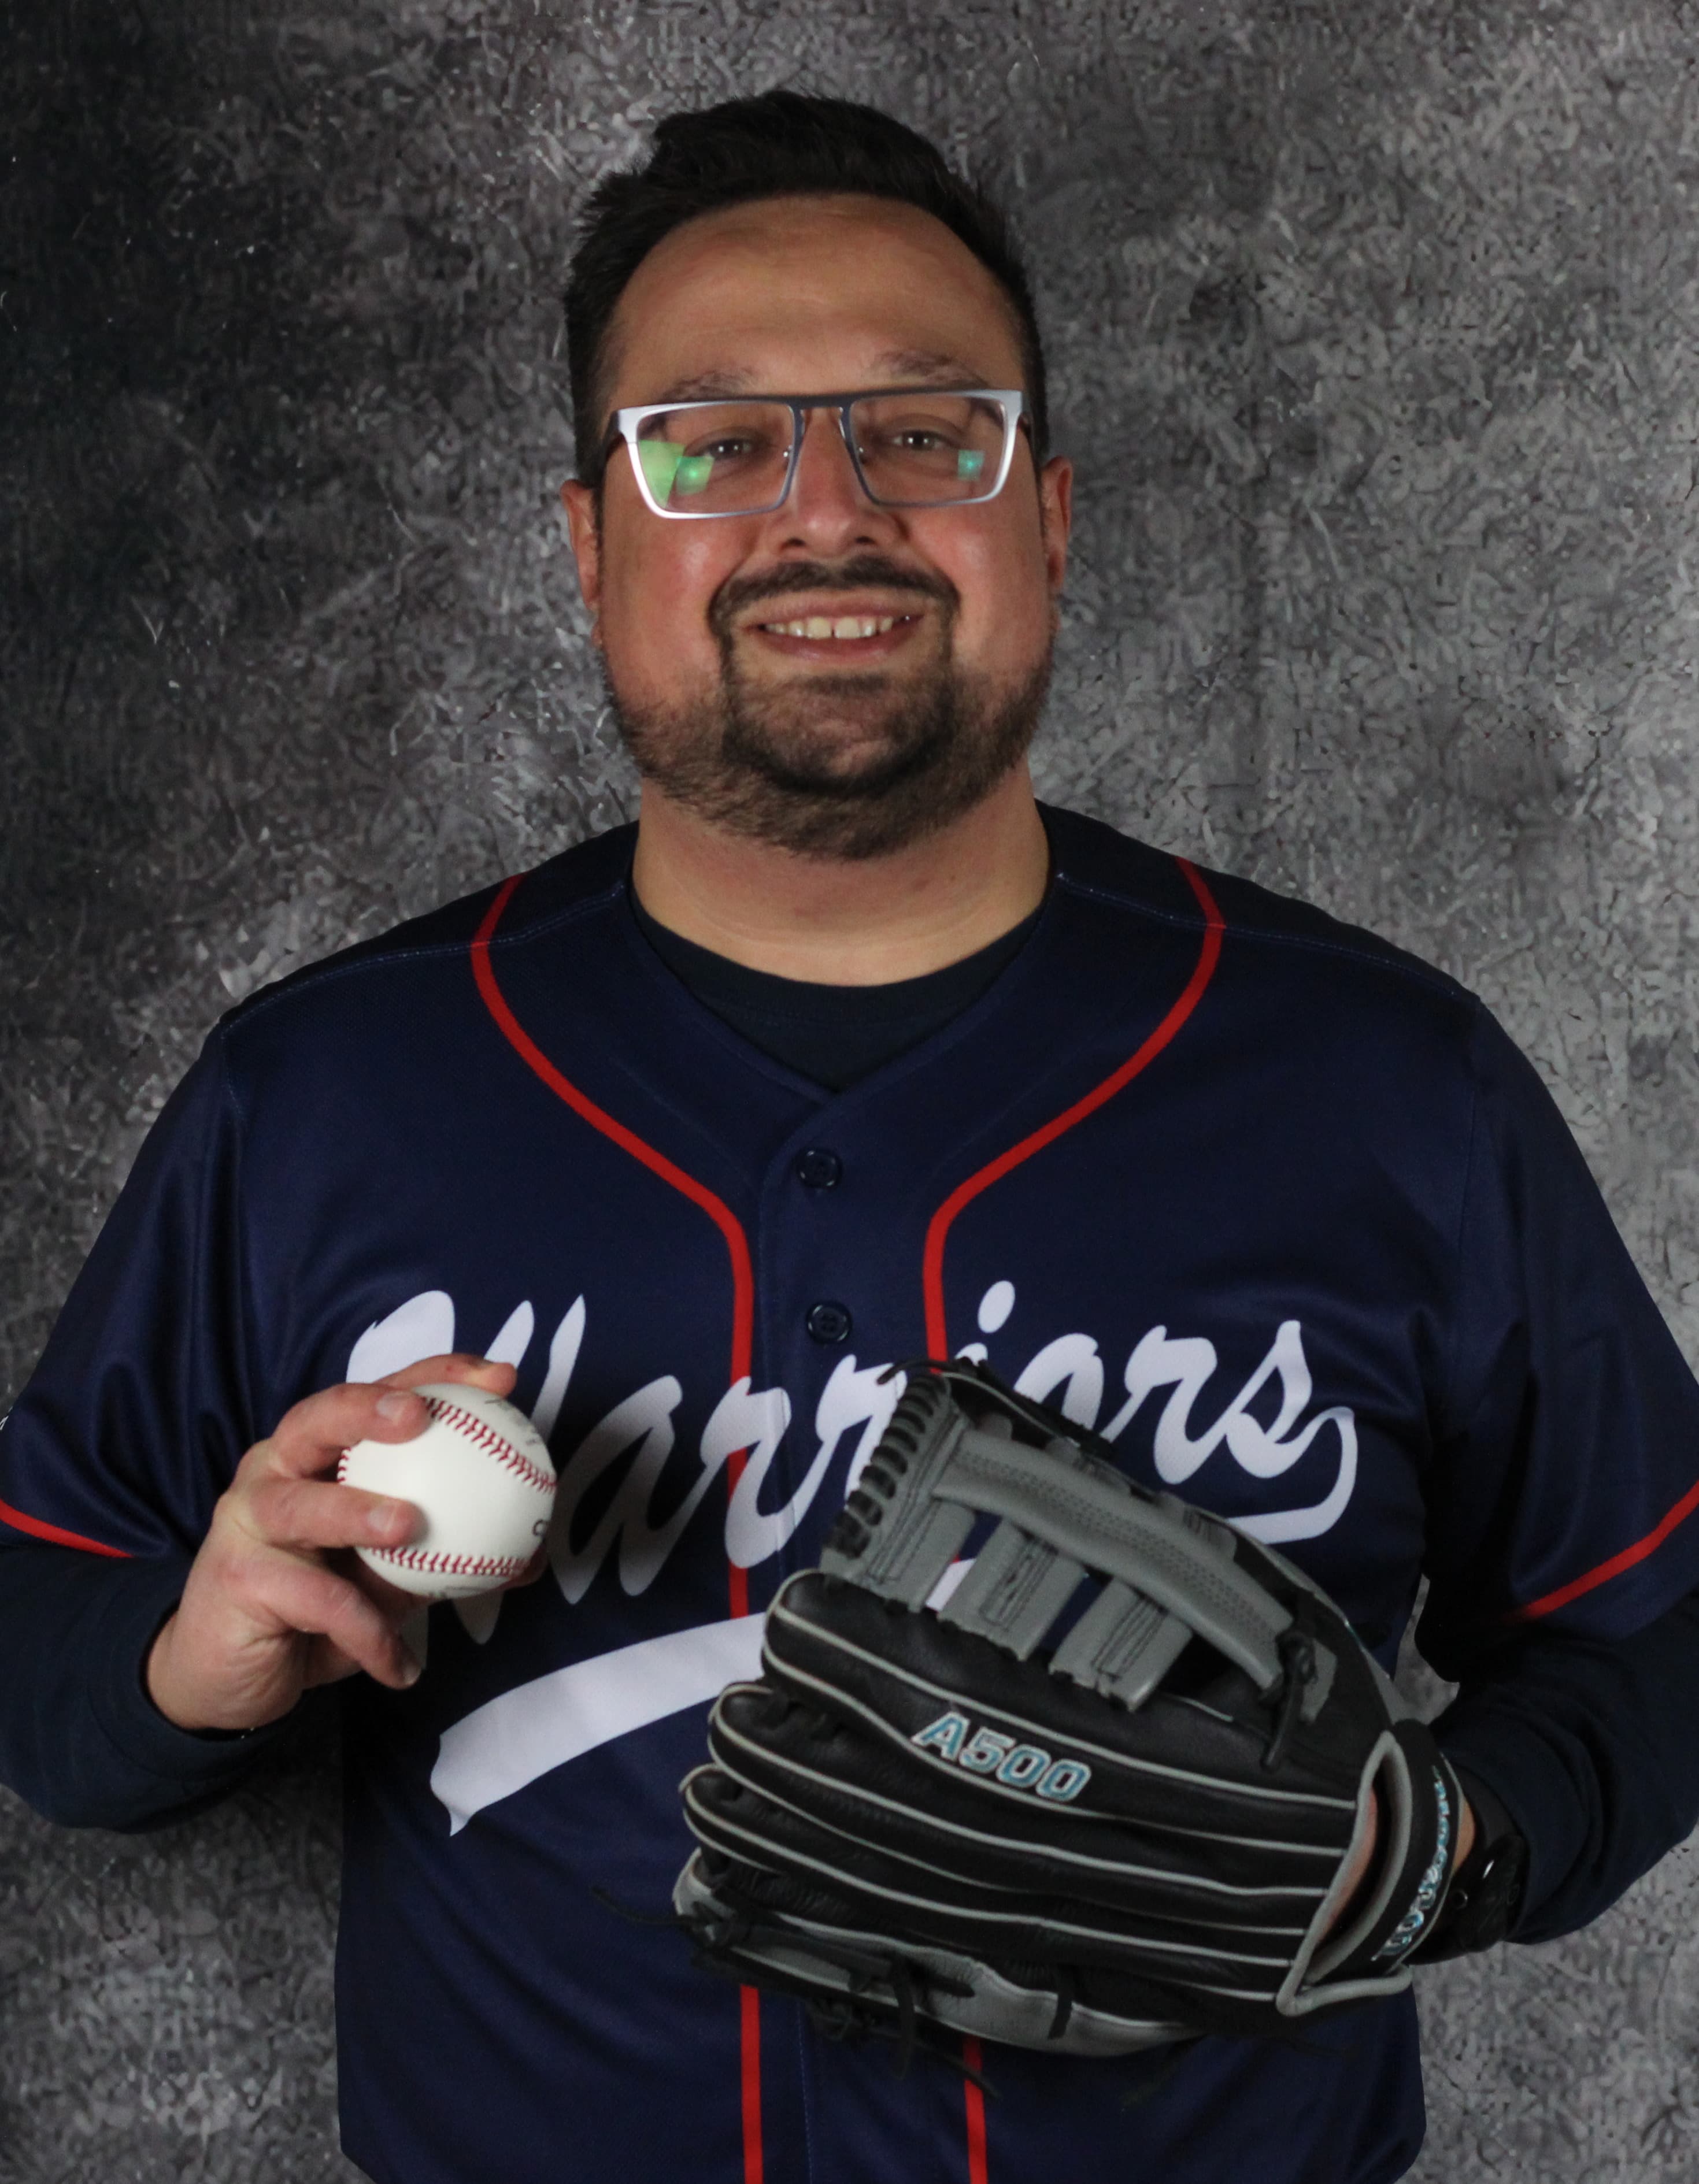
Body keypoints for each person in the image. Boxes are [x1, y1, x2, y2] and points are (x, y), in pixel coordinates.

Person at [3, 87, 1699, 2184]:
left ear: (1048, 520)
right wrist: (191, 1651)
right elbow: (44, 1618)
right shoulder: (321, 1089)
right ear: (590, 538)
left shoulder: (1382, 1081)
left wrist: (1450, 1849)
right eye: (711, 444)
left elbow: (1650, 1615)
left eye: (926, 432)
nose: (828, 511)